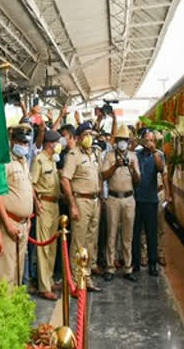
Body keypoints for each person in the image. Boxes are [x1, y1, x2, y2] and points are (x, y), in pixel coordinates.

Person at [60, 122, 102, 291]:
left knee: (91, 241)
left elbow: (98, 176)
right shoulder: (73, 155)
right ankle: (75, 282)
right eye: (86, 133)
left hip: (94, 201)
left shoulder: (93, 154)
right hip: (81, 201)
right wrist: (73, 205)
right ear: (78, 137)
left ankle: (86, 278)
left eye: (91, 133)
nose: (89, 137)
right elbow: (65, 180)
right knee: (78, 243)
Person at [0, 125, 35, 286]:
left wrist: (28, 218)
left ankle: (16, 308)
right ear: (12, 140)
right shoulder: (4, 161)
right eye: (20, 142)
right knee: (7, 272)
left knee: (18, 271)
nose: (23, 146)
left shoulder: (24, 161)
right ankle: (5, 308)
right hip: (10, 222)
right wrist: (6, 222)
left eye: (25, 143)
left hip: (23, 223)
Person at [100, 125, 140, 282]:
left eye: (124, 140)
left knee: (127, 235)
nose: (122, 143)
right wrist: (115, 165)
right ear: (116, 142)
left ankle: (128, 267)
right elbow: (103, 176)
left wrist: (132, 168)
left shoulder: (133, 156)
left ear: (128, 142)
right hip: (113, 199)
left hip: (129, 199)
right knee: (112, 233)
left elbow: (138, 181)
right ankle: (110, 267)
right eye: (119, 140)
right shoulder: (109, 156)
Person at [132, 129, 169, 277]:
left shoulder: (158, 155)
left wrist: (154, 153)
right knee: (136, 233)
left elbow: (160, 169)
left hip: (152, 200)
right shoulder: (137, 155)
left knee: (152, 233)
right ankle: (136, 263)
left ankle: (153, 263)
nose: (150, 143)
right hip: (137, 199)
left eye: (152, 140)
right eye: (147, 140)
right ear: (142, 141)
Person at [31, 130, 63, 300]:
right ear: (50, 143)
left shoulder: (52, 160)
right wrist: (36, 203)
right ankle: (44, 286)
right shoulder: (39, 160)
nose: (60, 145)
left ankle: (49, 280)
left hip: (55, 205)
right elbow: (32, 184)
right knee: (43, 247)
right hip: (44, 205)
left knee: (52, 247)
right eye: (58, 142)